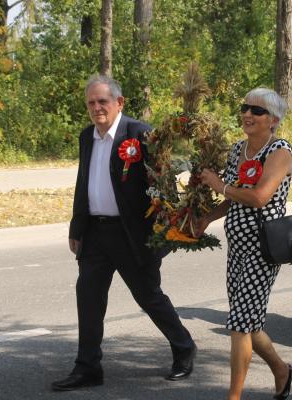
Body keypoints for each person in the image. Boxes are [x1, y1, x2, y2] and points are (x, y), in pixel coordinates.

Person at [51, 75, 197, 391]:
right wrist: (77, 227)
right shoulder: (86, 136)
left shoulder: (140, 134)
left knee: (149, 297)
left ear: (119, 103)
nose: (96, 108)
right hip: (94, 234)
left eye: (102, 101)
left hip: (132, 235)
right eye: (91, 103)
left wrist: (162, 231)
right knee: (88, 298)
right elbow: (83, 182)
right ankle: (88, 367)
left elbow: (164, 185)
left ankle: (184, 348)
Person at [195, 88, 292, 400]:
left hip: (264, 246)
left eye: (257, 111)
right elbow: (232, 198)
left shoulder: (280, 151)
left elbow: (258, 197)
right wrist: (208, 218)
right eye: (245, 108)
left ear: (274, 120)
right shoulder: (238, 150)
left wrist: (220, 185)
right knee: (248, 321)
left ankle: (234, 397)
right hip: (237, 246)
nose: (247, 115)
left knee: (240, 324)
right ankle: (282, 370)